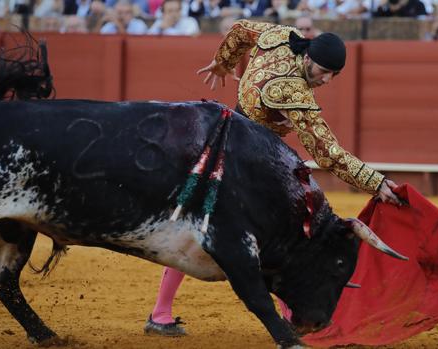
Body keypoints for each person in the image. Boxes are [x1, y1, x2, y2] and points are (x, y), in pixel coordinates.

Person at [144, 19, 403, 336]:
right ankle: (293, 317)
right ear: (308, 58)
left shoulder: (280, 35)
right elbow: (326, 152)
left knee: (200, 224)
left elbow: (240, 30)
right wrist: (375, 182)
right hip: (254, 165)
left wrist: (222, 63)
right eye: (324, 71)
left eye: (334, 75)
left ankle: (161, 313)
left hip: (224, 141)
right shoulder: (290, 89)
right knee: (282, 234)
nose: (327, 80)